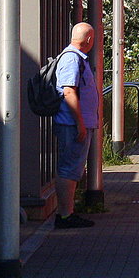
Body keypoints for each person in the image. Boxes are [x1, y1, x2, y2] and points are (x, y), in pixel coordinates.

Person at [53, 22, 99, 229]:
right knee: (70, 168)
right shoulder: (72, 59)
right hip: (72, 125)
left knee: (73, 168)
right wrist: (80, 123)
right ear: (89, 40)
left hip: (76, 124)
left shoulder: (77, 59)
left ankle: (68, 212)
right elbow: (69, 91)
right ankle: (65, 215)